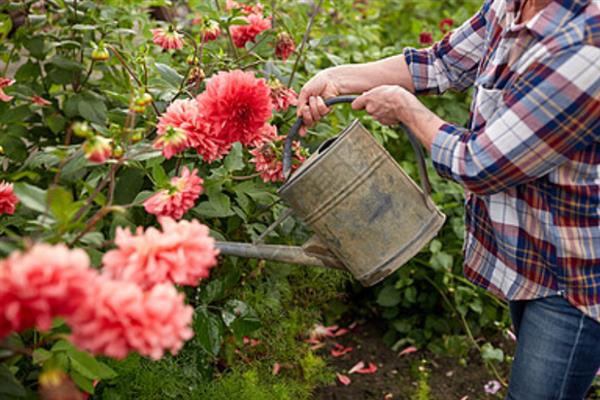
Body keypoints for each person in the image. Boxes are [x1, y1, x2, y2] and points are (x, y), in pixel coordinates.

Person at [297, 0, 600, 398]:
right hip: (533, 259)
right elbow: (440, 62)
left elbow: (482, 164)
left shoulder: (586, 46)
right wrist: (337, 76)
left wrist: (406, 109)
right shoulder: (514, 6)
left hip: (575, 277)